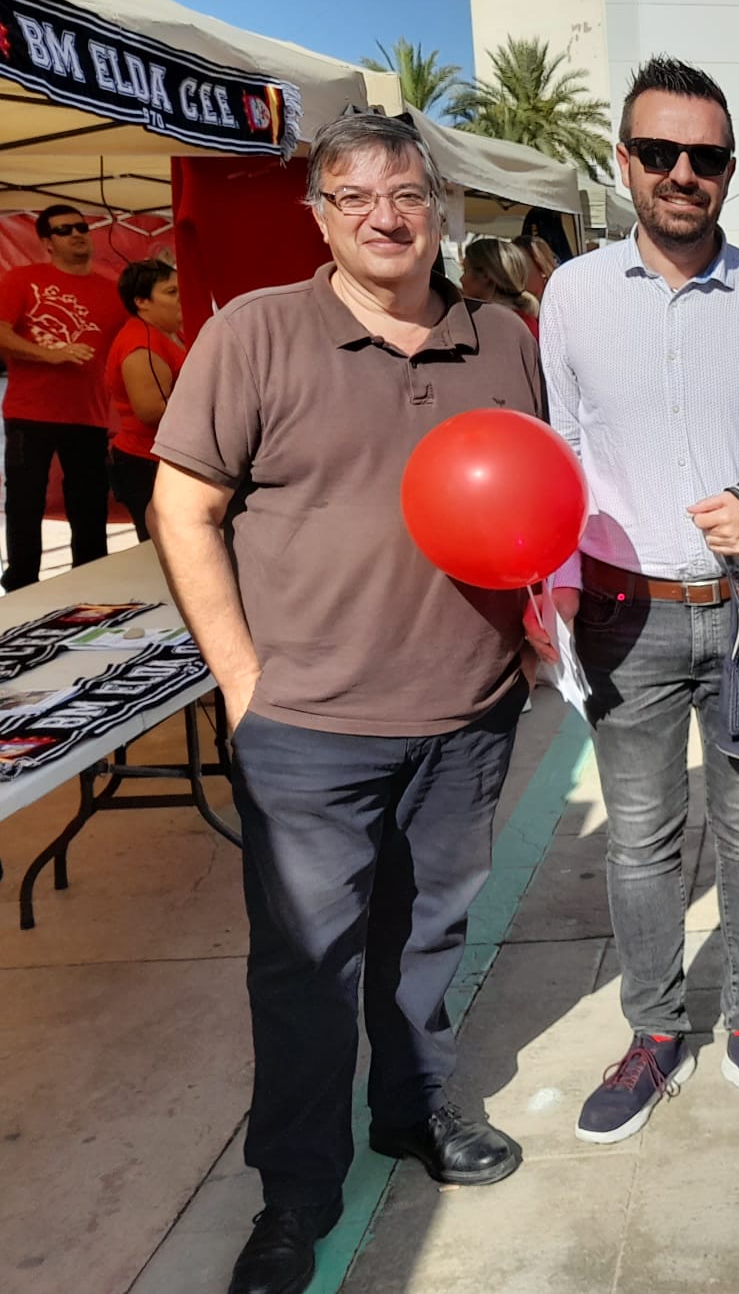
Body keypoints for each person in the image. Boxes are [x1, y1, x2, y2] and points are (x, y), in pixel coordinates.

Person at [149, 114, 543, 1294]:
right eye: (355, 194)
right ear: (318, 213)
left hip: (465, 717)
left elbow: (531, 495)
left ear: (440, 206)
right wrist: (242, 681)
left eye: (408, 192)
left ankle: (412, 1114)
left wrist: (527, 638)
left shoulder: (501, 340)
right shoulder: (254, 334)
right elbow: (183, 509)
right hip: (309, 729)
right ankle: (296, 1190)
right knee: (307, 965)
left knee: (424, 943)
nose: (385, 214)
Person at [543, 57, 739, 1145]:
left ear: (726, 170)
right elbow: (561, 453)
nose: (682, 173)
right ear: (624, 161)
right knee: (637, 839)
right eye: (659, 153)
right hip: (624, 613)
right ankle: (655, 1031)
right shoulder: (571, 295)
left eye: (704, 157)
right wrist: (559, 595)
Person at [0, 205, 124, 589]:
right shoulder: (22, 279)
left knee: (88, 503)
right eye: (64, 229)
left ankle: (91, 579)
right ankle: (22, 584)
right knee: (25, 500)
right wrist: (51, 354)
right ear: (46, 242)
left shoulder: (112, 291)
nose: (76, 234)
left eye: (82, 227)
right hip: (30, 412)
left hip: (87, 416)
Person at [103, 258, 186, 543]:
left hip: (164, 457)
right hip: (146, 462)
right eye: (171, 292)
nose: (181, 297)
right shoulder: (141, 344)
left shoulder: (169, 333)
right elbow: (151, 412)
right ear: (142, 301)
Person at [459, 236, 540, 337]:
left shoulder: (483, 326)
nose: (461, 279)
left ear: (485, 276)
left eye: (465, 271)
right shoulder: (529, 323)